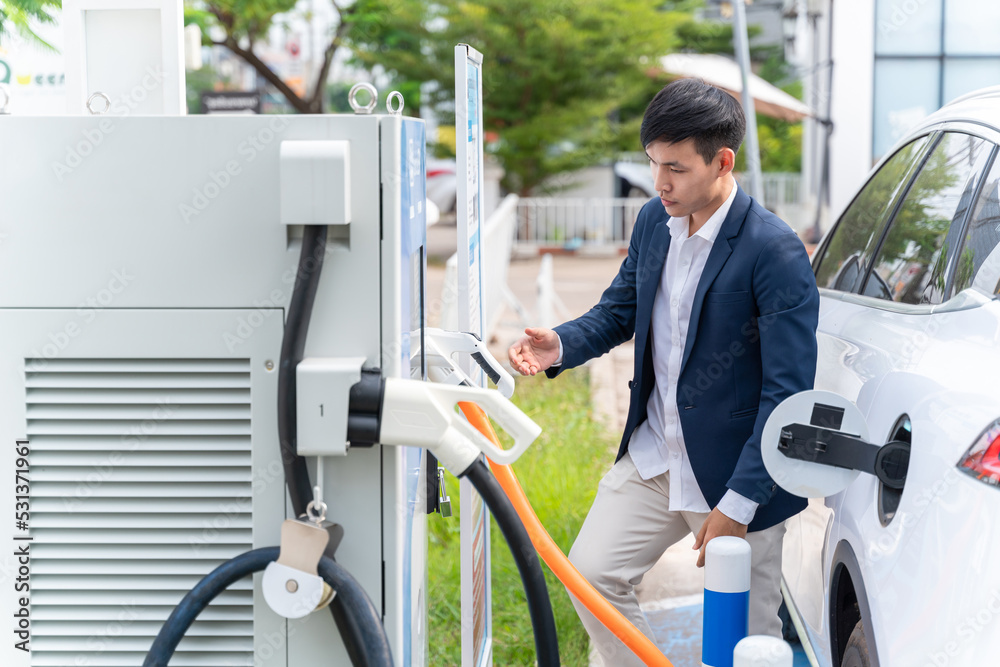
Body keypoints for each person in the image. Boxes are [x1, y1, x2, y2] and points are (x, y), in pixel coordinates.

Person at [507, 78, 819, 665]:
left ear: (722, 161)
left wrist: (740, 505)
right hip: (655, 456)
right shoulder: (655, 220)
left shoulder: (773, 251)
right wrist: (561, 344)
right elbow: (620, 309)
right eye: (654, 164)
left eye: (674, 168)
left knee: (750, 642)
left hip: (734, 475)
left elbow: (788, 392)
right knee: (591, 575)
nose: (659, 184)